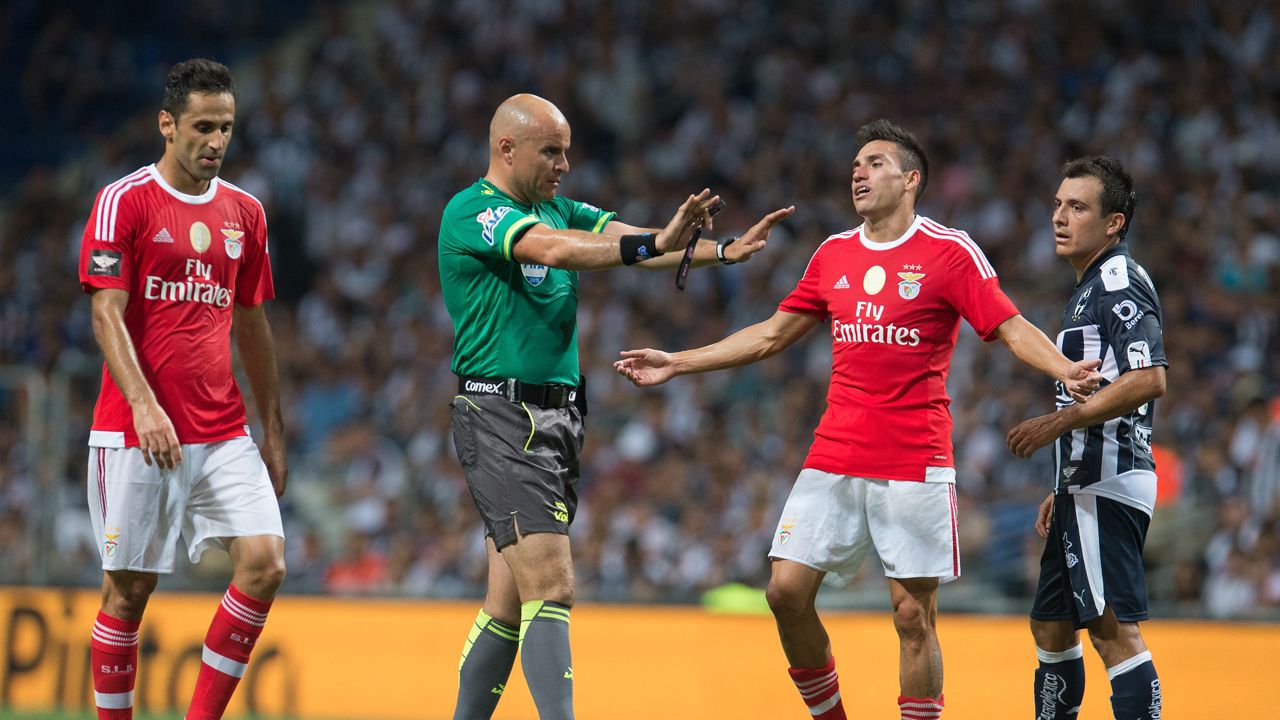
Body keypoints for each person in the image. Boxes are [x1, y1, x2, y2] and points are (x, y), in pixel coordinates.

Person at [615, 119, 1103, 720]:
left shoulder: (949, 251)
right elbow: (771, 335)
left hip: (913, 456)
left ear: (911, 179)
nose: (858, 172)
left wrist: (1063, 367)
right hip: (835, 452)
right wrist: (679, 361)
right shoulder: (833, 254)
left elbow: (1007, 324)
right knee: (784, 592)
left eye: (874, 163)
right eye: (855, 165)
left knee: (911, 615)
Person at [437, 93, 792, 720]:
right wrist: (654, 241)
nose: (564, 165)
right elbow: (557, 251)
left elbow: (623, 238)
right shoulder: (474, 212)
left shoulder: (555, 207)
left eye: (567, 152)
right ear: (507, 149)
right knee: (552, 586)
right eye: (551, 151)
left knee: (505, 602)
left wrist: (720, 250)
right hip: (501, 417)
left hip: (557, 419)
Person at [77, 59, 287, 720]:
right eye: (202, 126)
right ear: (167, 125)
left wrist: (273, 429)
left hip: (222, 430)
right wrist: (144, 406)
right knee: (129, 594)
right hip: (135, 433)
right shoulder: (124, 201)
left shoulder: (245, 214)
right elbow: (105, 313)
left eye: (225, 127)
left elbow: (251, 321)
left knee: (265, 563)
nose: (216, 141)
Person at [1006, 156, 1166, 720]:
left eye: (1077, 207)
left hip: (1109, 479)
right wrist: (1062, 483)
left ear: (1114, 222)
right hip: (1083, 483)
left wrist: (1055, 425)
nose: (1060, 216)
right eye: (1057, 204)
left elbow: (1149, 379)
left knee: (1112, 630)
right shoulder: (1089, 287)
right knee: (1050, 624)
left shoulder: (1118, 279)